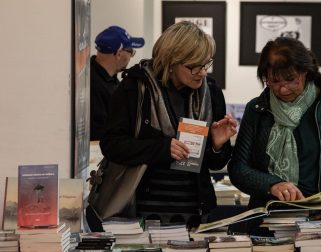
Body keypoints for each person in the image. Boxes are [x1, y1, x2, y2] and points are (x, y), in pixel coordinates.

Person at [86, 21, 237, 231]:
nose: (202, 72)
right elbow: (112, 145)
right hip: (142, 211)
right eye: (194, 65)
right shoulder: (134, 88)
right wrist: (161, 148)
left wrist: (218, 145)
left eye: (206, 64)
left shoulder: (211, 94)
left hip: (195, 212)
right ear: (172, 60)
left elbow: (214, 162)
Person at [227, 37, 321, 231]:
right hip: (268, 223)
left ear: (306, 71)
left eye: (291, 79)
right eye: (273, 81)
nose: (283, 88)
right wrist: (272, 184)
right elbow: (239, 168)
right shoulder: (257, 110)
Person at [90, 25, 145, 140]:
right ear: (119, 54)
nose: (131, 56)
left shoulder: (109, 78)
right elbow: (100, 134)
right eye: (131, 51)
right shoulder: (93, 85)